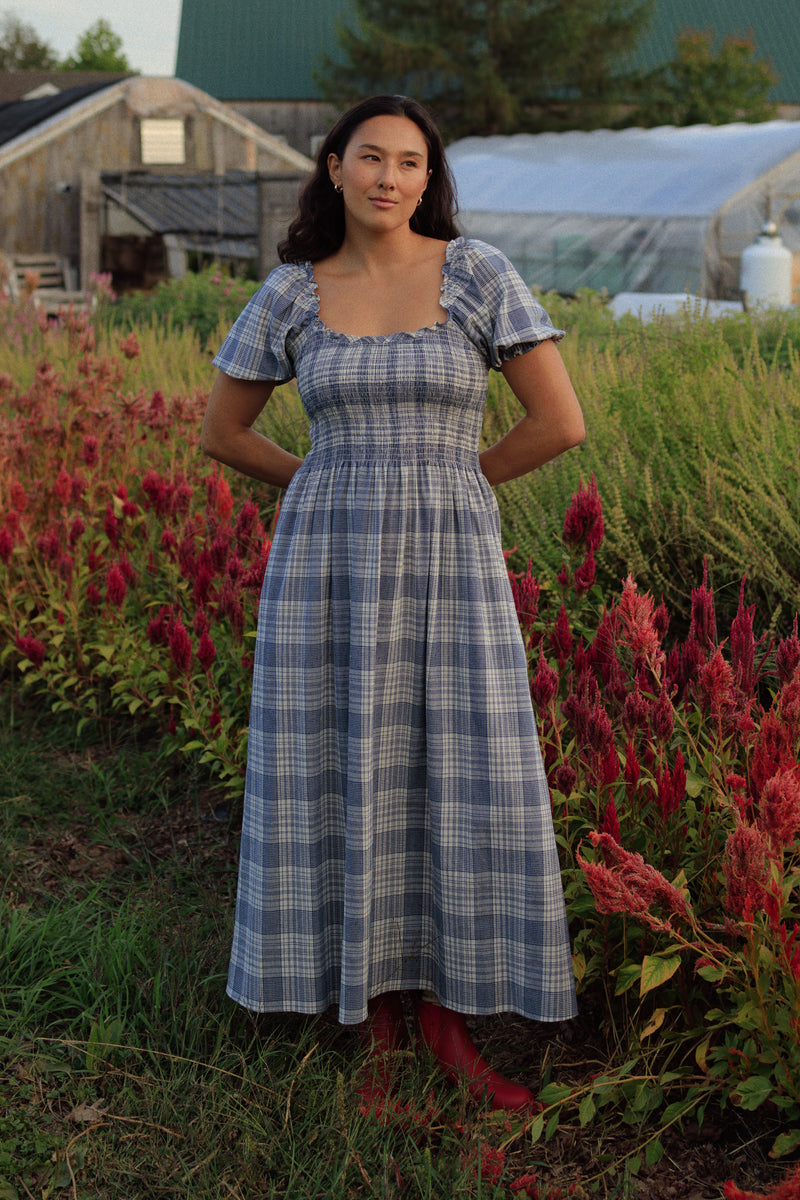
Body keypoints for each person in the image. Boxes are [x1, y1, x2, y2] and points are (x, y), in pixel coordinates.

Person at [201, 94, 584, 1115]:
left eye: (410, 162)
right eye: (370, 157)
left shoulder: (476, 274)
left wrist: (454, 483)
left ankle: (449, 1021)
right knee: (346, 767)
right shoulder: (290, 291)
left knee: (460, 768)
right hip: (326, 565)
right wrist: (325, 484)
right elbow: (223, 433)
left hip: (452, 561)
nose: (388, 177)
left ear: (428, 180)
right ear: (333, 167)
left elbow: (559, 420)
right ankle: (372, 1024)